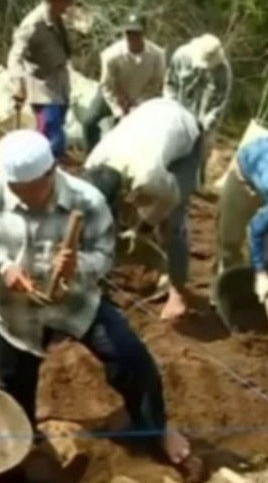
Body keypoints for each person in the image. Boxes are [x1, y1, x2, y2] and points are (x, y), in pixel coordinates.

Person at [0, 129, 191, 468]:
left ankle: (156, 429)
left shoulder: (87, 201)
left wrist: (78, 267)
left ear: (51, 172)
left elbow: (106, 255)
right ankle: (22, 447)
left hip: (74, 303)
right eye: (15, 190)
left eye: (31, 190)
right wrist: (2, 267)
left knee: (131, 359)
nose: (23, 198)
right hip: (14, 311)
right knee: (12, 384)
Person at [83, 98, 202, 321]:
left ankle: (178, 295)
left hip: (183, 130)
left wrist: (143, 228)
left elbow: (170, 201)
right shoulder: (92, 163)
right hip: (150, 117)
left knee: (173, 223)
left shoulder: (149, 176)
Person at [82, 13, 165, 152]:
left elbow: (157, 83)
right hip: (114, 93)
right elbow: (107, 85)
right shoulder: (110, 55)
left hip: (143, 96)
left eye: (136, 33)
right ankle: (93, 154)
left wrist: (139, 103)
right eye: (129, 33)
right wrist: (118, 110)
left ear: (144, 33)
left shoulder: (157, 55)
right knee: (89, 121)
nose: (132, 37)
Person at [7, 0, 73, 158]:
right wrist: (19, 84)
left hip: (60, 83)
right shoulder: (32, 25)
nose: (68, 5)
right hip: (42, 86)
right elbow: (14, 57)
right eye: (66, 2)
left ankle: (48, 165)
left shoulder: (57, 19)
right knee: (52, 132)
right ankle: (42, 167)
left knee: (57, 128)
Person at [164, 34, 232, 174]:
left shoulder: (223, 71)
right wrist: (171, 109)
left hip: (204, 122)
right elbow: (170, 84)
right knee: (171, 152)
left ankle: (196, 183)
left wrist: (204, 126)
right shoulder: (181, 56)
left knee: (200, 154)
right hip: (178, 114)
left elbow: (219, 104)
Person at [215, 137, 268, 304]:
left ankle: (255, 296)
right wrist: (260, 274)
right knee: (230, 241)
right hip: (243, 180)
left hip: (262, 177)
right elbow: (257, 229)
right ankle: (223, 298)